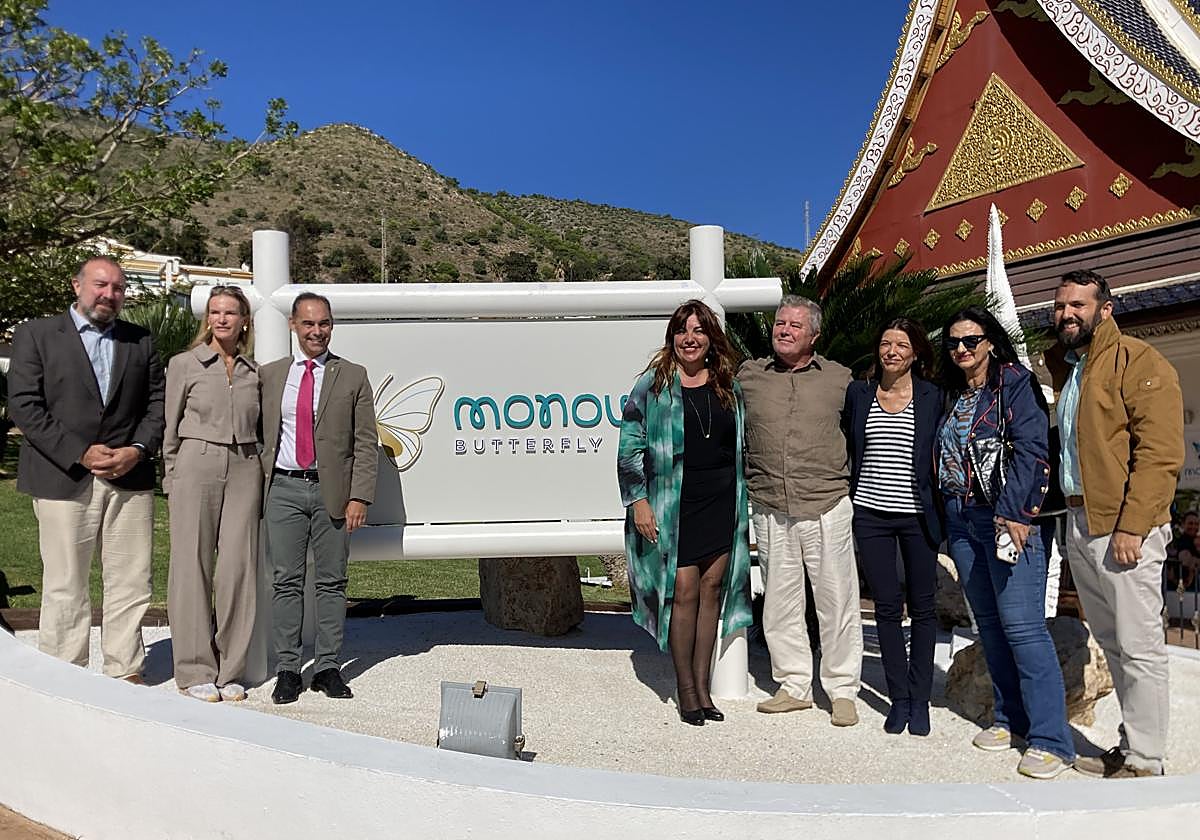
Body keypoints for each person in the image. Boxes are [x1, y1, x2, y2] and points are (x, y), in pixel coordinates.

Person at [1046, 270, 1184, 778]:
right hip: (1080, 520)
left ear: (1105, 308)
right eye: (1060, 305)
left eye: (1078, 305)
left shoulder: (1138, 361)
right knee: (1112, 641)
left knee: (1140, 645)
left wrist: (1133, 526)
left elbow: (1161, 454)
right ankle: (1131, 744)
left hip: (1124, 526)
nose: (1066, 314)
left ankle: (1146, 759)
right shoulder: (1073, 368)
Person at [8, 256, 165, 681]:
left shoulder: (140, 341)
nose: (108, 294)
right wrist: (80, 452)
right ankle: (65, 675)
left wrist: (136, 449)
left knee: (131, 581)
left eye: (117, 288)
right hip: (63, 476)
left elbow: (157, 404)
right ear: (76, 285)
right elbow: (24, 404)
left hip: (128, 479)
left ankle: (125, 669)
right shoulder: (36, 335)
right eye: (100, 285)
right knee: (65, 583)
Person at [936, 305, 1074, 779]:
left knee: (1024, 628)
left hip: (1006, 518)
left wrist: (1016, 512)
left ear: (990, 342)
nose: (961, 350)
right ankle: (1009, 718)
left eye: (970, 340)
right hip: (961, 519)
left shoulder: (1013, 382)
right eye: (953, 342)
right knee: (990, 627)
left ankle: (1052, 739)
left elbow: (1032, 447)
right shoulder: (952, 392)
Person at [617, 299, 753, 726]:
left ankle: (704, 688)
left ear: (711, 338)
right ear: (671, 337)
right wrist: (637, 500)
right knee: (683, 594)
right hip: (675, 504)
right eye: (682, 331)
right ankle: (686, 691)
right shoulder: (653, 385)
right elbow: (629, 445)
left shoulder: (728, 384)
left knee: (713, 591)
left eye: (698, 331)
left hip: (722, 502)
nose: (689, 339)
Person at [737, 296, 862, 727]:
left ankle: (842, 689)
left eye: (794, 325)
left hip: (825, 503)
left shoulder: (840, 379)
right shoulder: (749, 376)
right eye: (779, 323)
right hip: (771, 505)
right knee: (779, 603)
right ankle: (793, 684)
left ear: (814, 335)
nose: (783, 330)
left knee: (837, 602)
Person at [260, 292, 378, 704]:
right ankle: (288, 669)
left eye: (324, 323)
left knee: (332, 582)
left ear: (332, 325)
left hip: (334, 493)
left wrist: (359, 496)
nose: (317, 331)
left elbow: (366, 442)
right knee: (286, 582)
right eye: (308, 324)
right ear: (293, 325)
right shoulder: (271, 376)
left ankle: (327, 666)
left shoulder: (353, 375)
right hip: (284, 489)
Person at [844, 318, 942, 736]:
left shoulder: (933, 396)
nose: (892, 351)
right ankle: (897, 697)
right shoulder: (860, 393)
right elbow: (850, 444)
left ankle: (920, 700)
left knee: (923, 608)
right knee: (885, 608)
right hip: (870, 514)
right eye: (886, 343)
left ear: (915, 352)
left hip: (918, 515)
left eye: (902, 344)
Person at [162, 286, 261, 702]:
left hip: (245, 466)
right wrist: (171, 477)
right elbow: (169, 427)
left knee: (238, 569)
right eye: (215, 312)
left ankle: (231, 668)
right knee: (191, 566)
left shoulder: (254, 372)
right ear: (207, 318)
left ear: (243, 321)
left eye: (230, 312)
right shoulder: (184, 364)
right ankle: (194, 669)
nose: (221, 319)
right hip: (195, 462)